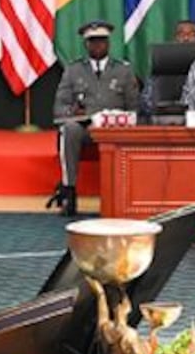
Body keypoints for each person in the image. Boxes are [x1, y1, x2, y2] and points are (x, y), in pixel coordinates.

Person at [50, 21, 139, 216]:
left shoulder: (123, 70)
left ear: (108, 43)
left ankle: (127, 196)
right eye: (92, 42)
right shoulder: (73, 70)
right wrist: (72, 111)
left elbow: (135, 107)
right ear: (86, 44)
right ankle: (69, 191)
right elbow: (59, 107)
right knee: (69, 130)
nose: (97, 46)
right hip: (86, 128)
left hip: (115, 129)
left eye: (101, 41)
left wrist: (123, 119)